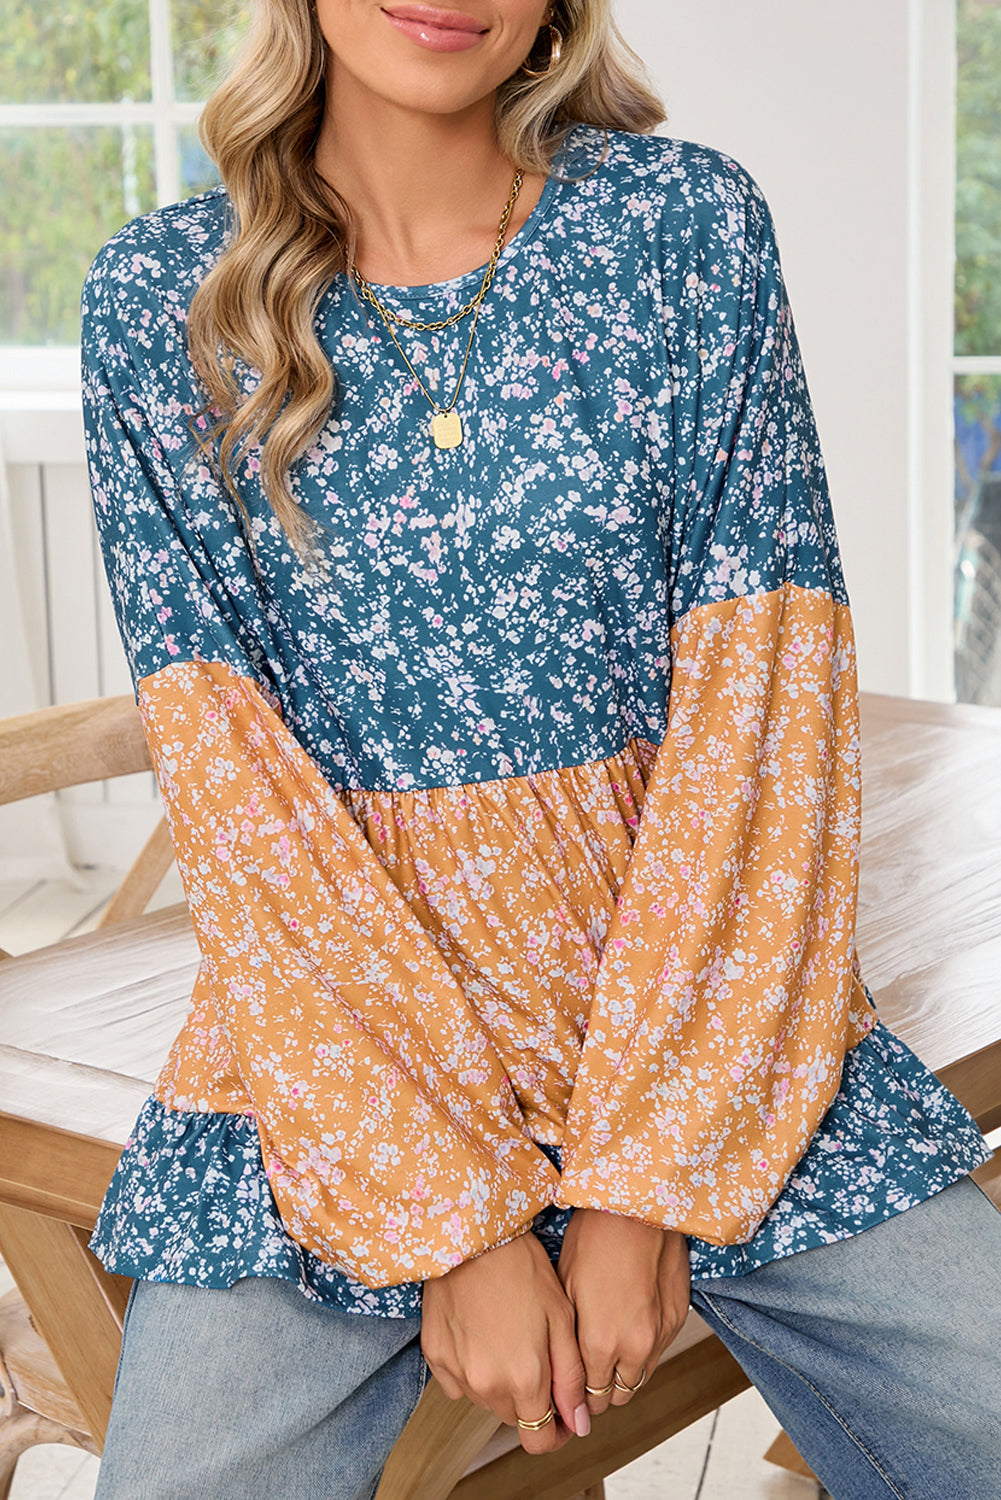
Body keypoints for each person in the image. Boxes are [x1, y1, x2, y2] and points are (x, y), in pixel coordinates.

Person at [80, 2, 1001, 1497]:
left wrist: (643, 1189)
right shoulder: (161, 303)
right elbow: (238, 799)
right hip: (344, 1068)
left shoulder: (681, 232)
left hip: (710, 1032)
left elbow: (761, 719)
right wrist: (455, 1224)